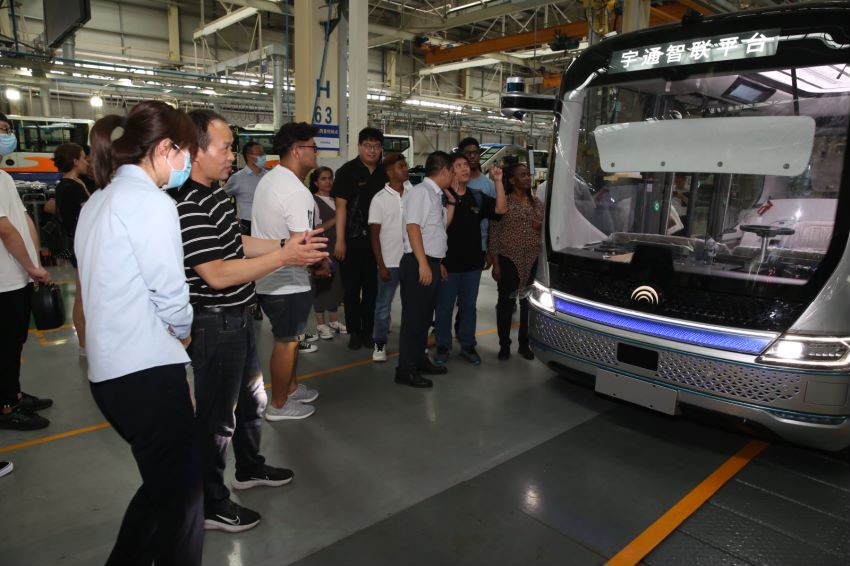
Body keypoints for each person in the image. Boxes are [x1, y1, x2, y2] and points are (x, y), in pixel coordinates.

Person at [170, 110, 326, 533]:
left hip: (238, 318)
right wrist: (284, 257)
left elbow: (235, 243)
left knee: (252, 402)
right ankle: (211, 502)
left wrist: (283, 243)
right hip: (213, 323)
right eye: (224, 148)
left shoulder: (217, 195)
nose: (232, 156)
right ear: (196, 150)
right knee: (217, 418)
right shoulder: (186, 203)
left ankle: (250, 467)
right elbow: (216, 273)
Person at [75, 100, 202, 565]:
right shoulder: (151, 202)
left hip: (110, 373)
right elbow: (170, 292)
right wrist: (183, 333)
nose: (187, 163)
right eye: (187, 152)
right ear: (166, 148)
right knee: (184, 501)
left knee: (162, 485)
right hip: (146, 372)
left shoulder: (99, 200)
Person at [253, 122, 330, 420]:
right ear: (297, 151)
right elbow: (303, 243)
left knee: (291, 340)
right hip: (287, 281)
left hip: (271, 276)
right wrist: (321, 264)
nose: (316, 152)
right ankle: (279, 404)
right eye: (313, 147)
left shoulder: (271, 179)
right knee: (286, 343)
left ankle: (291, 388)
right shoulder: (297, 192)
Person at [0, 112, 53, 432]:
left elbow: (24, 219)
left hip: (17, 275)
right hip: (3, 280)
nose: (5, 136)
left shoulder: (4, 177)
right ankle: (6, 407)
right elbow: (5, 230)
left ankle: (14, 394)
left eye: (7, 130)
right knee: (5, 346)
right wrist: (30, 265)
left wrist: (35, 262)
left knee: (15, 341)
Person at [434, 154, 506, 366]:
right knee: (444, 308)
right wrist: (437, 262)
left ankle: (467, 345)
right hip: (448, 265)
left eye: (466, 165)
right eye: (458, 166)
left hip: (472, 265)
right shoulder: (440, 198)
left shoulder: (477, 197)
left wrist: (498, 182)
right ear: (450, 171)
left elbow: (501, 210)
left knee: (468, 307)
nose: (465, 168)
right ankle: (442, 346)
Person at [395, 151, 454, 389]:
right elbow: (413, 228)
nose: (453, 175)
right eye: (452, 170)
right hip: (418, 263)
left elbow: (433, 232)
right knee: (414, 320)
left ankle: (419, 360)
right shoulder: (422, 193)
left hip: (430, 262)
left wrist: (436, 264)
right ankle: (406, 369)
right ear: (444, 170)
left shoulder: (434, 194)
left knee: (423, 319)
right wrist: (423, 263)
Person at [331, 127, 388, 350]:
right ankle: (354, 332)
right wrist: (340, 241)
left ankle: (368, 331)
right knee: (352, 290)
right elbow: (340, 208)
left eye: (376, 146)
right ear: (359, 147)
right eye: (367, 146)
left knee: (372, 290)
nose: (372, 150)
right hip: (352, 241)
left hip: (379, 244)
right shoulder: (347, 172)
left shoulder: (385, 173)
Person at [489, 162, 544, 361]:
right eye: (523, 175)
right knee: (506, 303)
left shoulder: (537, 203)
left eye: (528, 174)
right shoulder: (503, 202)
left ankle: (524, 344)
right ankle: (504, 345)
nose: (528, 178)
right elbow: (494, 233)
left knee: (528, 304)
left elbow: (544, 230)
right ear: (512, 180)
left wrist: (539, 227)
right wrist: (495, 263)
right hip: (508, 259)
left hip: (532, 259)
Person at [368, 152, 409, 362]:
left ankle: (412, 344)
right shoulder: (379, 199)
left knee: (412, 306)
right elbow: (374, 236)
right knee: (383, 306)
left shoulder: (414, 193)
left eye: (405, 165)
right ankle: (379, 343)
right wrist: (381, 265)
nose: (406, 169)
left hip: (411, 261)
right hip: (389, 262)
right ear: (390, 172)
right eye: (401, 166)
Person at [53, 142, 91, 355]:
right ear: (75, 161)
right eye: (83, 158)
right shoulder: (74, 187)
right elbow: (89, 214)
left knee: (82, 295)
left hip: (76, 243)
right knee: (83, 297)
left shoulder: (65, 184)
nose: (87, 162)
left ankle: (85, 343)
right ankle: (85, 344)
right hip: (82, 245)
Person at [309, 166, 346, 339]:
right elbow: (316, 228)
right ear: (316, 182)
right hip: (322, 247)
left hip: (337, 246)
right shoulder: (312, 201)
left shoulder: (336, 199)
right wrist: (337, 218)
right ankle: (321, 324)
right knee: (321, 284)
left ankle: (333, 320)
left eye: (330, 178)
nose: (328, 182)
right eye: (323, 179)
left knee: (336, 284)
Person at [459, 137, 496, 263]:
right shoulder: (453, 183)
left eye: (475, 152)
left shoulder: (489, 185)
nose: (472, 156)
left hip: (480, 246)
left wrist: (490, 250)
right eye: (468, 153)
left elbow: (493, 221)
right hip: (454, 246)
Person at [223, 141, 266, 235]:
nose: (264, 156)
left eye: (263, 153)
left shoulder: (268, 176)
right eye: (260, 154)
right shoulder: (237, 178)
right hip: (247, 224)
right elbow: (221, 198)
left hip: (267, 223)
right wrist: (231, 217)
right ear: (249, 156)